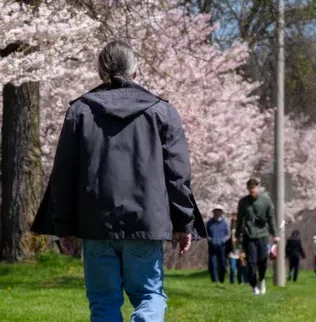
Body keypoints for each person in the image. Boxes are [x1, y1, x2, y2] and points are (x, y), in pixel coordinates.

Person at [32, 40, 205, 322]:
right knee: (150, 296)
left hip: (96, 222)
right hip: (146, 222)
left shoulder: (80, 111)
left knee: (103, 303)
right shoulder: (162, 111)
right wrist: (184, 223)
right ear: (135, 72)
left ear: (101, 73)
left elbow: (63, 175)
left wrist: (64, 227)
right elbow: (178, 175)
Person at [235, 178, 278, 295]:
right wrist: (237, 235)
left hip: (262, 235)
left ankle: (262, 280)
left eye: (253, 187)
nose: (252, 190)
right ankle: (254, 286)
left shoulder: (266, 201)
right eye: (250, 188)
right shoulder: (243, 202)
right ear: (247, 189)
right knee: (251, 262)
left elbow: (271, 219)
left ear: (257, 188)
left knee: (262, 261)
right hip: (249, 236)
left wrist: (275, 234)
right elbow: (239, 220)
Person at [206, 207, 231, 283]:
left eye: (218, 212)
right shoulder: (209, 222)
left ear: (221, 213)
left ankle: (221, 278)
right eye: (215, 212)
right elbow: (207, 234)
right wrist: (211, 240)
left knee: (222, 263)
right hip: (212, 246)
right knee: (213, 264)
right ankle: (214, 280)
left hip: (222, 246)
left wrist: (223, 240)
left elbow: (228, 234)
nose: (216, 213)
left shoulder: (225, 222)